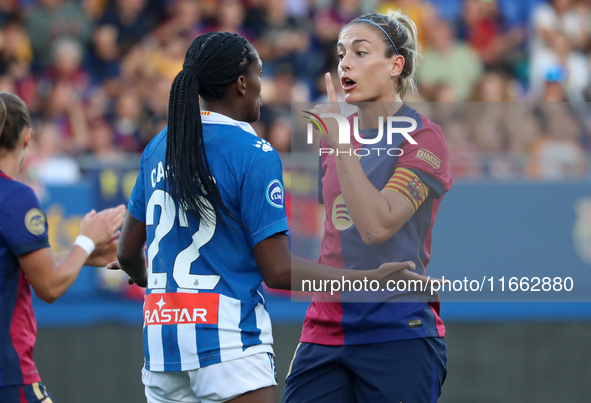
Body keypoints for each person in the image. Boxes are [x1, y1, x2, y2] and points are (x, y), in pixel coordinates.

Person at [106, 31, 443, 403]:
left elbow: (126, 255)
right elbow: (278, 270)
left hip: (161, 346)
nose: (261, 89)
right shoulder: (254, 150)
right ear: (241, 83)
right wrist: (367, 280)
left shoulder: (159, 145)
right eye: (259, 76)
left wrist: (155, 280)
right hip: (229, 342)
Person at [284, 11, 453, 403]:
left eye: (360, 52)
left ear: (397, 65)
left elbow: (376, 228)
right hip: (324, 328)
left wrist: (342, 145)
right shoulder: (333, 135)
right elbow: (336, 226)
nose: (344, 62)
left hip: (397, 329)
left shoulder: (424, 137)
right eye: (341, 53)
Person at [0, 92, 126, 403]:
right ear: (27, 137)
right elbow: (50, 286)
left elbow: (14, 263)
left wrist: (83, 255)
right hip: (8, 375)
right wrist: (85, 239)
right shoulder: (15, 198)